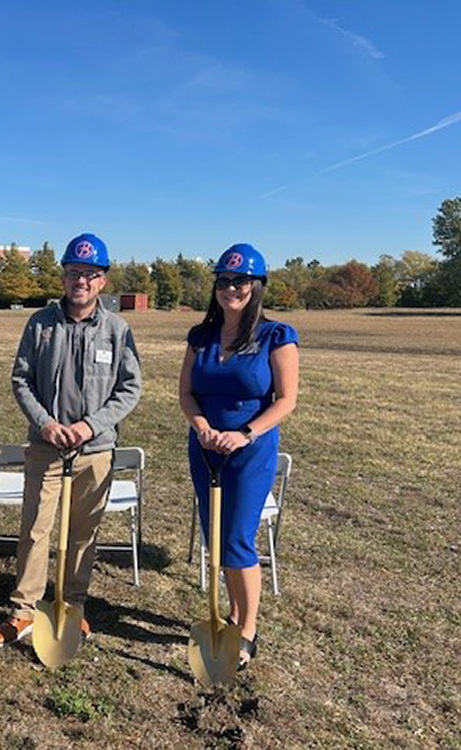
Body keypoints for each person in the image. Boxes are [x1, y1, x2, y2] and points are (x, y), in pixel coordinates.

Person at [0, 233, 142, 647]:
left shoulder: (116, 329)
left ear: (103, 281)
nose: (82, 282)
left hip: (95, 451)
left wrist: (91, 426)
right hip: (47, 446)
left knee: (82, 532)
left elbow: (130, 388)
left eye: (90, 275)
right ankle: (23, 611)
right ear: (63, 276)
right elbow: (21, 379)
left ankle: (72, 606)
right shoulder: (40, 324)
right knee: (36, 529)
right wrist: (45, 423)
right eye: (75, 272)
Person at [178, 243, 299, 669]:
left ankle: (247, 629)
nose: (232, 288)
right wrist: (203, 427)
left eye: (242, 280)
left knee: (237, 539)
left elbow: (286, 400)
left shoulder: (275, 337)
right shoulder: (201, 337)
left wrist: (245, 434)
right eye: (225, 281)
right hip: (206, 449)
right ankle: (229, 614)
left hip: (250, 452)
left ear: (257, 286)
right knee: (215, 537)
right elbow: (187, 392)